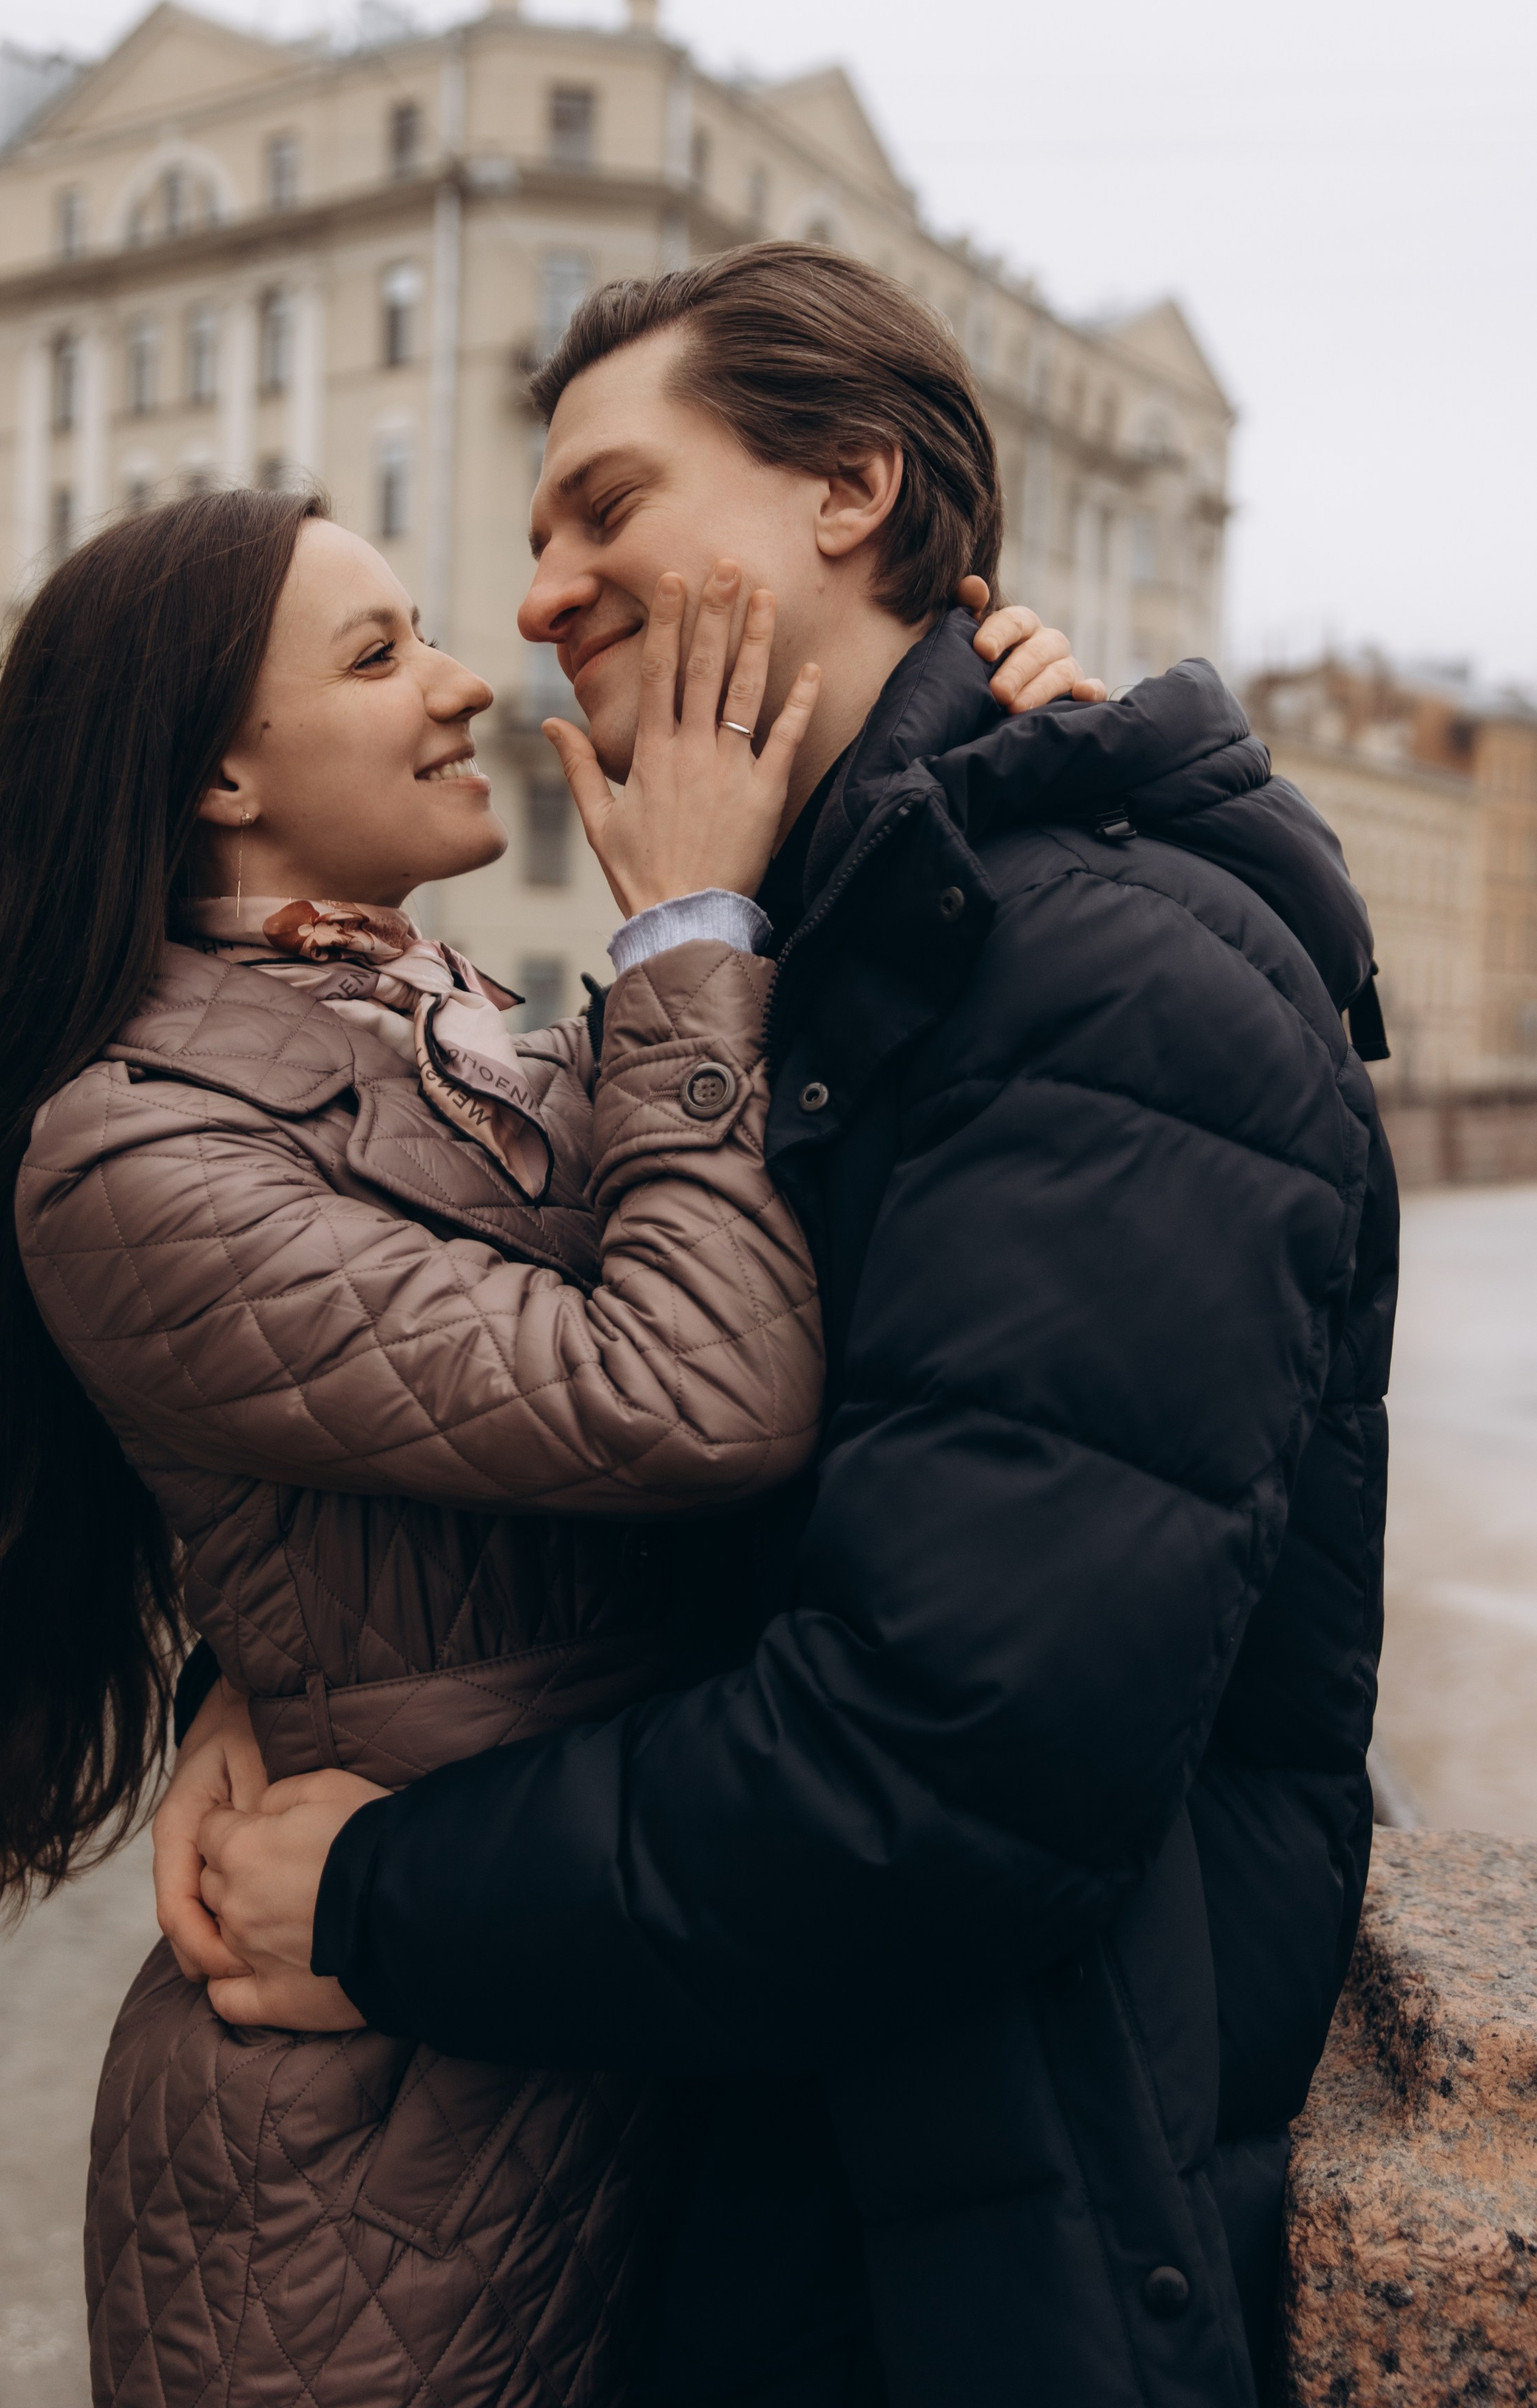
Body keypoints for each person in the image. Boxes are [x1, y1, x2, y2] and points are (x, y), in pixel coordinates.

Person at [161, 243, 1397, 2408]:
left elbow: (940, 1772)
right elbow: (573, 1417)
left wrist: (375, 1897)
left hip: (970, 2254)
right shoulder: (833, 960)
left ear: (852, 488)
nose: (538, 595)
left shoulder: (1110, 988)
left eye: (607, 510)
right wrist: (283, 1680)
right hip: (784, 2178)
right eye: (534, 537)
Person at [0, 478, 1087, 2408]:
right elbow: (697, 1390)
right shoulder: (134, 1149)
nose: (465, 683)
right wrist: (692, 932)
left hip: (565, 2000)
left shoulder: (443, 1019)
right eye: (382, 655)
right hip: (367, 2187)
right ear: (222, 772)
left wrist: (999, 750)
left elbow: (494, 1435)